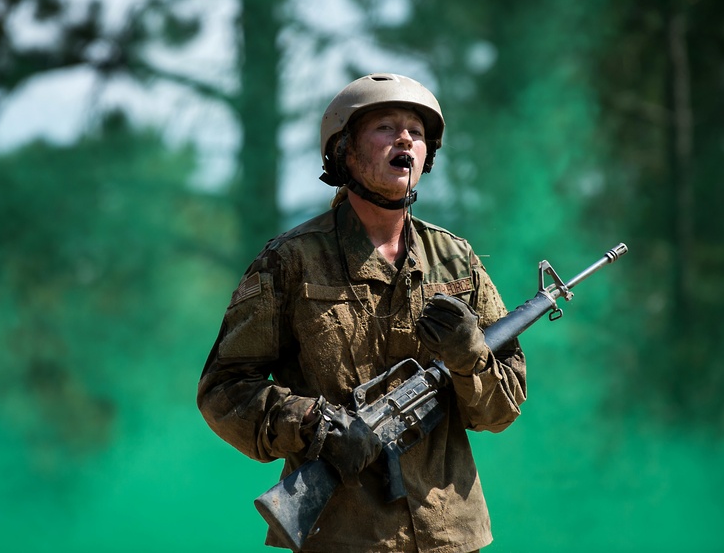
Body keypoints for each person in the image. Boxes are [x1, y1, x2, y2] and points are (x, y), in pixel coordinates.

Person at [197, 73, 527, 552]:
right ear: (344, 152)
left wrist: (469, 356)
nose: (405, 140)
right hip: (342, 535)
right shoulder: (291, 261)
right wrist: (314, 425)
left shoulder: (456, 260)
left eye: (416, 131)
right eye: (385, 128)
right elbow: (224, 389)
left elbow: (502, 410)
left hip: (448, 534)